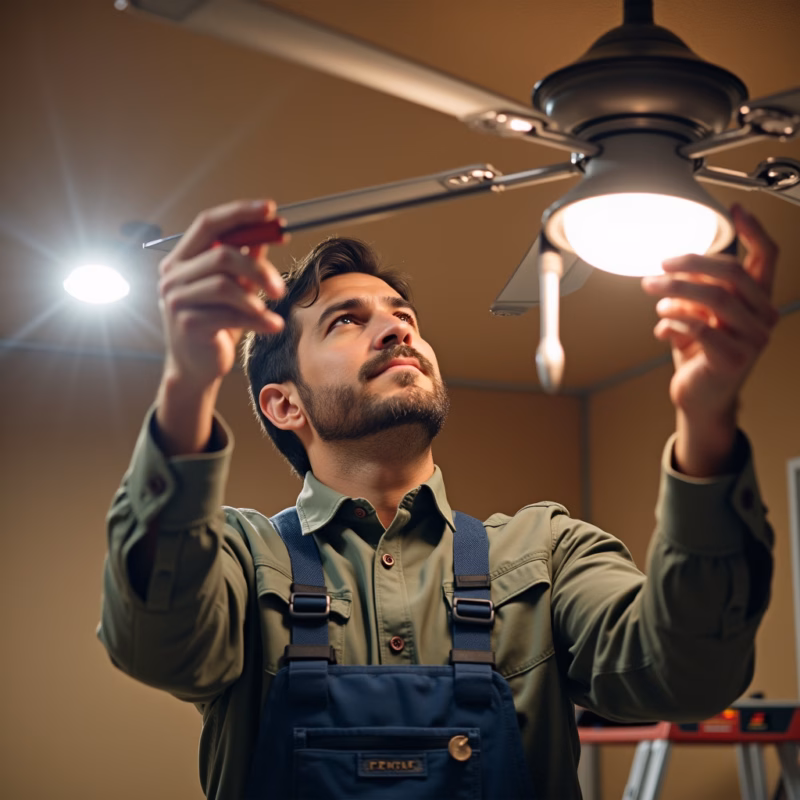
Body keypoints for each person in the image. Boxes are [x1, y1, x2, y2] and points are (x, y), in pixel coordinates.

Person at [97, 198, 778, 799]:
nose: (399, 331)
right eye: (345, 321)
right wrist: (186, 385)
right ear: (283, 404)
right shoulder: (240, 561)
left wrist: (708, 419)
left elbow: (689, 678)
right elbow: (155, 646)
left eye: (405, 318)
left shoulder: (549, 552)